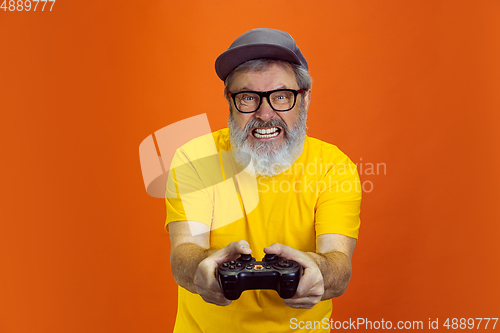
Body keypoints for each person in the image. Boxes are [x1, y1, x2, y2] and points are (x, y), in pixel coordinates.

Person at [165, 28, 361, 332]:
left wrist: (318, 269)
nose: (265, 113)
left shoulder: (334, 167)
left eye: (282, 96)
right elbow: (184, 252)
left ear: (305, 99)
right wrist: (201, 269)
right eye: (248, 97)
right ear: (230, 102)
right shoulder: (195, 159)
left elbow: (338, 265)